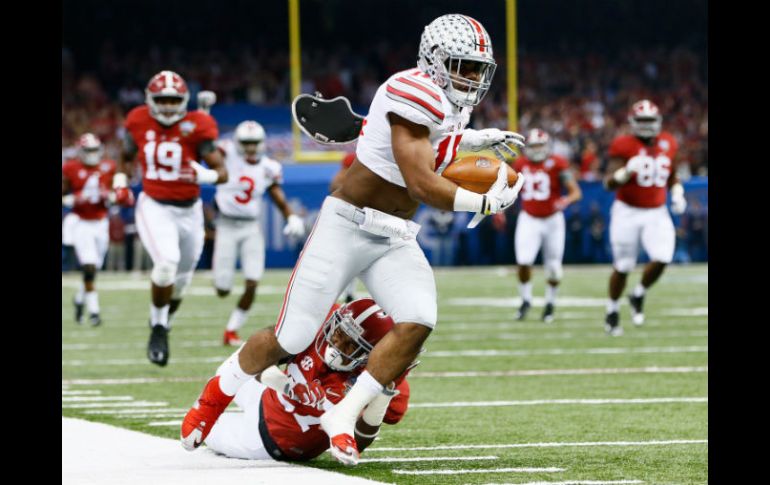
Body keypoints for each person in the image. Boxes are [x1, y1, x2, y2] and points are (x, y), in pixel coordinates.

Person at [181, 14, 525, 466]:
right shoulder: (412, 90)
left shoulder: (451, 103)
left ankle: (342, 416)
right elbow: (420, 181)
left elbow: (434, 149)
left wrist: (471, 141)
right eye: (464, 65)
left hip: (394, 234)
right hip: (347, 224)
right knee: (292, 334)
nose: (474, 78)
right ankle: (211, 400)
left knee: (419, 319)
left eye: (480, 69)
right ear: (435, 61)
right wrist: (482, 202)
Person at [202, 298, 410, 461]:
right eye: (339, 332)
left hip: (269, 439)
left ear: (370, 354)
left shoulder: (383, 377)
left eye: (351, 345)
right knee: (231, 370)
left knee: (208, 432)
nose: (337, 343)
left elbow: (360, 441)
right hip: (269, 395)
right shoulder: (323, 319)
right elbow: (260, 355)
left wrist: (382, 397)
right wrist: (287, 386)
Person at [116, 71, 227, 365]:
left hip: (189, 211)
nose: (166, 106)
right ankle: (158, 327)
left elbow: (223, 171)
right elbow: (126, 156)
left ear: (183, 100)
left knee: (181, 280)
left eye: (173, 100)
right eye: (161, 100)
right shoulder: (138, 119)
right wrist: (119, 180)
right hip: (154, 205)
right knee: (166, 264)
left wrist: (207, 174)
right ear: (150, 100)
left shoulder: (198, 124)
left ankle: (165, 322)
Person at [213, 120, 306, 346]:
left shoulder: (268, 167)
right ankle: (227, 305)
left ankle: (231, 330)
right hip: (226, 225)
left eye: (254, 143)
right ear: (237, 142)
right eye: (246, 142)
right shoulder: (227, 155)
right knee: (223, 289)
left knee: (253, 281)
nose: (251, 147)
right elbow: (206, 146)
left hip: (250, 226)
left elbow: (276, 195)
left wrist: (290, 215)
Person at [602, 99, 687, 336]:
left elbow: (672, 174)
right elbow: (608, 183)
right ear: (633, 122)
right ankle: (612, 309)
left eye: (650, 120)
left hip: (657, 211)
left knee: (663, 257)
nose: (647, 125)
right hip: (627, 211)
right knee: (624, 265)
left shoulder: (668, 142)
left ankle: (638, 293)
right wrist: (626, 172)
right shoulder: (623, 144)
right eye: (642, 121)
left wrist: (677, 192)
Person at [62, 133, 134, 326]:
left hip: (101, 222)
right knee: (89, 266)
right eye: (88, 150)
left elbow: (123, 194)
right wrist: (70, 199)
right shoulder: (70, 168)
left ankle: (79, 299)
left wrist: (113, 196)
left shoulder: (109, 166)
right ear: (80, 151)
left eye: (94, 150)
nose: (92, 154)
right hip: (81, 221)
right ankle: (94, 312)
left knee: (94, 269)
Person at [513, 129, 582, 323]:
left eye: (539, 146)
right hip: (529, 217)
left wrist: (565, 200)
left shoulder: (557, 163)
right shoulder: (520, 164)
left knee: (553, 267)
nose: (536, 150)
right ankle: (526, 299)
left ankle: (550, 303)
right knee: (524, 261)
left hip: (553, 219)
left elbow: (576, 192)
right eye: (533, 146)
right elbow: (508, 188)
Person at [330, 152, 358, 302]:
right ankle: (344, 291)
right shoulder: (351, 161)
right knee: (344, 256)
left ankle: (349, 291)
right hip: (347, 216)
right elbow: (335, 184)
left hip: (363, 217)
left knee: (352, 257)